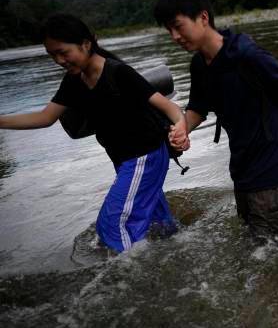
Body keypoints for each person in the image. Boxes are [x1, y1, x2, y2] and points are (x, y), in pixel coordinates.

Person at [154, 0, 278, 239]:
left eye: (178, 26)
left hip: (275, 162)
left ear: (203, 17)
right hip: (242, 167)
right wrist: (181, 129)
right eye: (169, 30)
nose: (174, 36)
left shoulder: (247, 54)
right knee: (257, 243)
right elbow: (197, 108)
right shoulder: (199, 65)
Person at [0, 14, 186, 252]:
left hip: (145, 156)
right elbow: (45, 117)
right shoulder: (74, 81)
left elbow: (169, 107)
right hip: (125, 161)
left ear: (86, 44)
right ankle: (178, 253)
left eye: (63, 52)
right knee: (158, 224)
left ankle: (137, 282)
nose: (59, 60)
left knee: (112, 225)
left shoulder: (119, 73)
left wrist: (180, 129)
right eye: (52, 55)